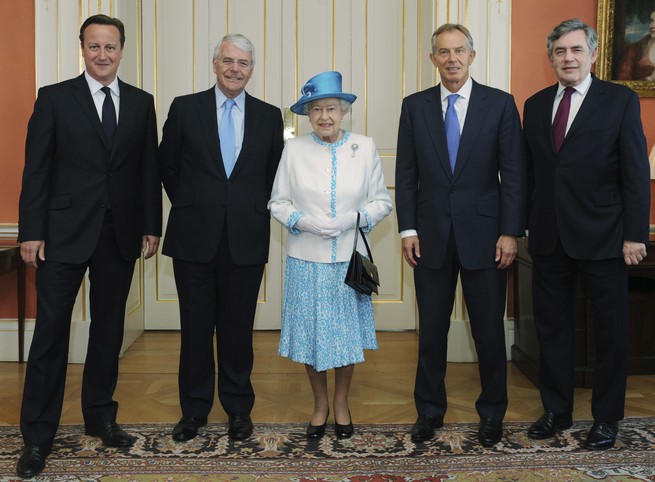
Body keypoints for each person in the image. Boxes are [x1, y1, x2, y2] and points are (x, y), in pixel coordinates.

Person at [16, 14, 161, 478]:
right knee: (50, 336)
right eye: (94, 46)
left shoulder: (141, 103)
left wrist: (150, 225)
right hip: (60, 236)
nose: (103, 55)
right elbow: (36, 169)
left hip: (118, 235)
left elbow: (147, 171)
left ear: (122, 50)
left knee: (108, 331)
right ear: (82, 49)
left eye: (111, 47)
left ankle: (100, 417)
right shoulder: (55, 98)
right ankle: (38, 436)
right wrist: (30, 231)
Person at [395, 24, 525, 448]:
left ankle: (492, 415)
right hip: (429, 237)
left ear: (472, 55)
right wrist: (408, 227)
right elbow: (407, 172)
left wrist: (510, 231)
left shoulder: (500, 104)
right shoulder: (414, 107)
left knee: (488, 333)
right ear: (433, 59)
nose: (451, 58)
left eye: (459, 51)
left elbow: (514, 174)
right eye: (443, 52)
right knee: (431, 332)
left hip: (487, 237)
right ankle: (429, 413)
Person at [523, 19, 650, 450]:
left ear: (592, 55)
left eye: (576, 50)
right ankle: (556, 411)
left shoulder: (619, 100)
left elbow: (635, 171)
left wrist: (635, 234)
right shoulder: (536, 105)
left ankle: (606, 418)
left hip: (604, 236)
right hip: (547, 237)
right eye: (560, 52)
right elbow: (532, 173)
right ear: (551, 58)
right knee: (552, 330)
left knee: (611, 333)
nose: (568, 58)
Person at [159, 33, 284, 442]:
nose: (235, 69)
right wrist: (197, 205)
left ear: (252, 69)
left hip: (245, 240)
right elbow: (168, 167)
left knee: (237, 331)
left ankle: (237, 410)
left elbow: (273, 175)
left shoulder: (269, 116)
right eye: (228, 61)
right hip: (194, 238)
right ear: (215, 64)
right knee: (195, 330)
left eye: (243, 63)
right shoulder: (185, 108)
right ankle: (193, 412)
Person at [268, 71, 393, 440]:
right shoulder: (294, 150)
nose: (325, 116)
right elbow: (277, 201)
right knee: (311, 339)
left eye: (332, 109)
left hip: (348, 261)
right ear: (308, 114)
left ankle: (341, 403)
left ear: (344, 112)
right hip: (306, 259)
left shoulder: (365, 147)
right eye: (317, 109)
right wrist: (302, 222)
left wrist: (354, 219)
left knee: (345, 340)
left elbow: (383, 201)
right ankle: (319, 404)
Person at [616, 9, 655, 81]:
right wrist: (649, 78)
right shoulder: (633, 50)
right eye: (651, 21)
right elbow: (623, 81)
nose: (652, 25)